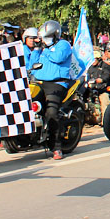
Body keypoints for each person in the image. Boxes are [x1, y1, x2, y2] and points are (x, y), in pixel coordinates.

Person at [35, 20, 73, 160]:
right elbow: (32, 63)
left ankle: (56, 147)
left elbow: (58, 57)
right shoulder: (42, 48)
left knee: (51, 112)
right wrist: (37, 49)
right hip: (39, 82)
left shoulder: (63, 45)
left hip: (57, 84)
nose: (45, 40)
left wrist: (45, 50)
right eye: (43, 37)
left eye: (47, 37)